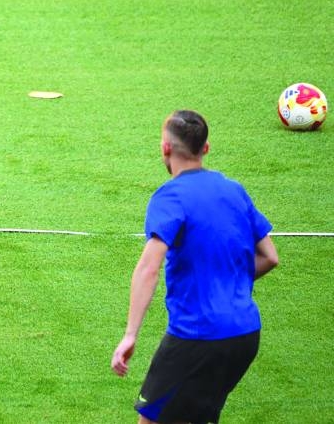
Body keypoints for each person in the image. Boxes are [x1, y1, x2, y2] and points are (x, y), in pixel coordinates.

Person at [111, 110, 279, 424]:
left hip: (196, 335)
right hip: (244, 334)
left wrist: (130, 335)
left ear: (165, 148)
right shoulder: (234, 190)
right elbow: (270, 256)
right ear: (205, 148)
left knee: (151, 421)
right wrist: (229, 282)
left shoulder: (170, 197)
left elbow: (148, 268)